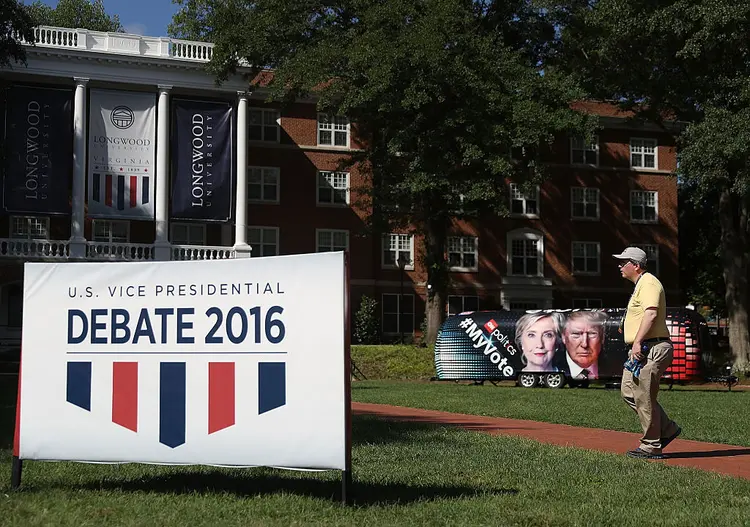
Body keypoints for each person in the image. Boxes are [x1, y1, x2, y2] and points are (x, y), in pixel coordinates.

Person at [613, 246, 681, 460]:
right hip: (642, 348)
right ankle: (667, 429)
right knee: (629, 392)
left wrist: (638, 341)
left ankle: (651, 445)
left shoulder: (649, 282)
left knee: (644, 395)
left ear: (636, 265)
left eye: (623, 262)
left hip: (651, 347)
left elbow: (651, 315)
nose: (620, 266)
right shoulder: (641, 285)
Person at [555, 310, 607, 380]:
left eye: (592, 334)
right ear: (564, 337)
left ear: (602, 337)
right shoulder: (552, 366)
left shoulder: (614, 366)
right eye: (576, 334)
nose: (584, 344)